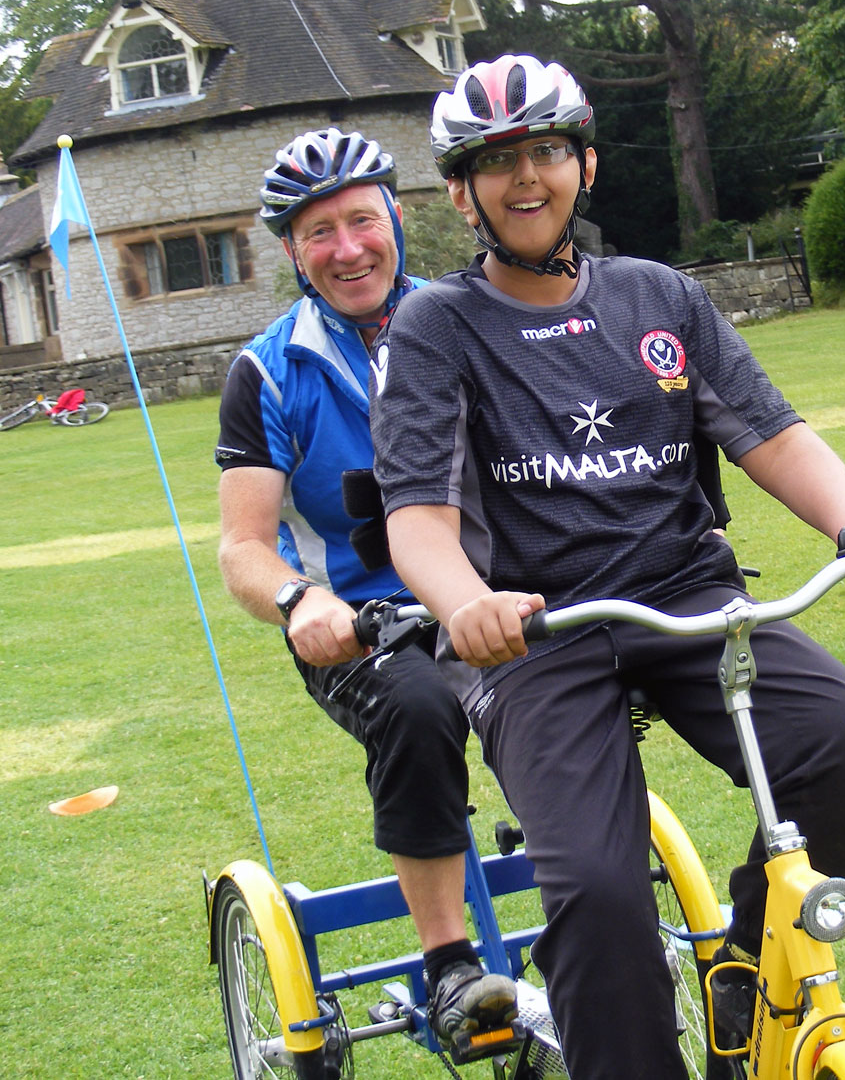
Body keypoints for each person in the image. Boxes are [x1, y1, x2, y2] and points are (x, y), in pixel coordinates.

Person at [371, 55, 845, 1080]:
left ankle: (750, 961)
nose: (526, 177)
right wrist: (467, 607)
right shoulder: (436, 327)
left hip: (690, 601)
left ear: (584, 164)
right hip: (536, 634)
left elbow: (774, 437)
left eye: (545, 151)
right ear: (462, 192)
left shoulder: (660, 296)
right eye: (496, 162)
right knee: (596, 890)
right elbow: (417, 517)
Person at [214, 126, 516, 1047]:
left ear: (397, 217)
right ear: (290, 252)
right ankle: (451, 967)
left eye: (360, 220)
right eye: (318, 232)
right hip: (362, 630)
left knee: (576, 695)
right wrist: (303, 602)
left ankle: (595, 900)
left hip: (490, 599)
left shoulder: (476, 317)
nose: (347, 249)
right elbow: (243, 546)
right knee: (420, 708)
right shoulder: (268, 370)